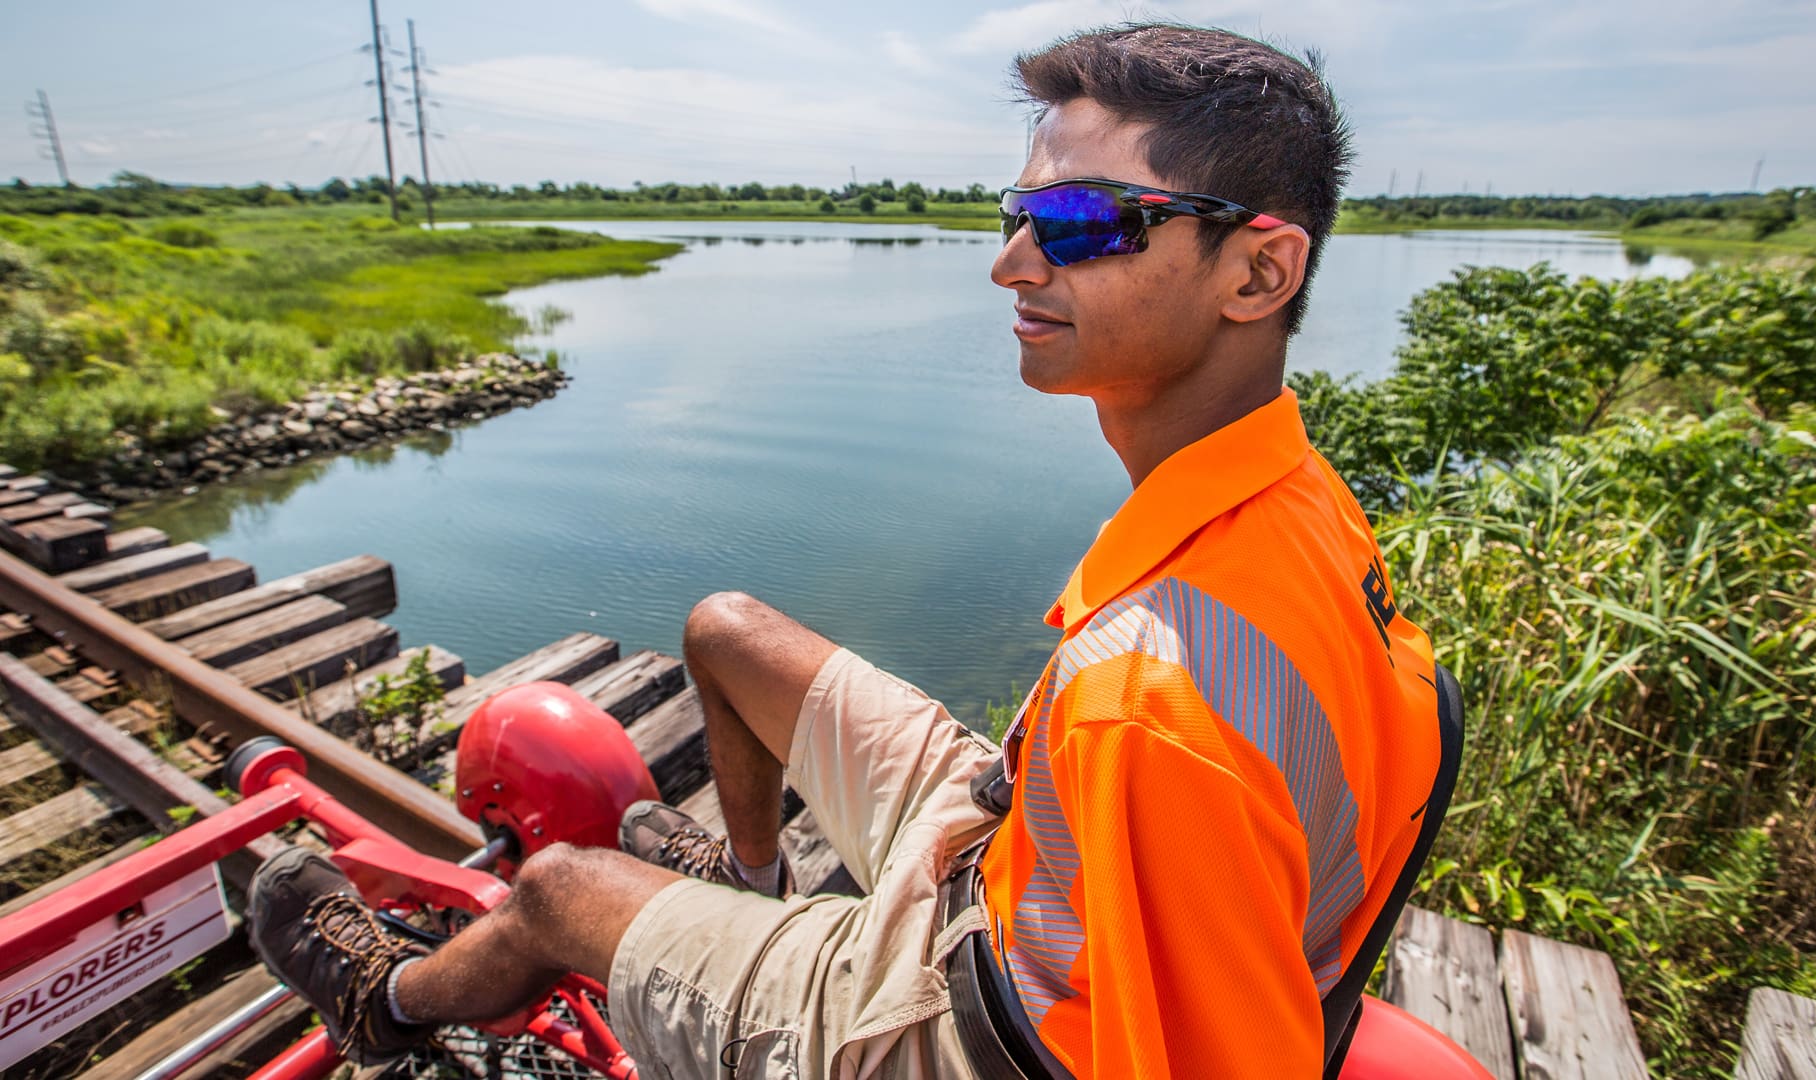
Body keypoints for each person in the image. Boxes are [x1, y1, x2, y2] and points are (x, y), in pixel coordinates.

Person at [246, 22, 1441, 1079]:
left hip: (978, 1025)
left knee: (561, 891)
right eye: (1018, 213)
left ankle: (385, 1004)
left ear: (1258, 271)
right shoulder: (1297, 499)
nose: (1013, 261)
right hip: (1018, 854)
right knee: (724, 633)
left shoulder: (1153, 705)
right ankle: (752, 892)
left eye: (1079, 222)